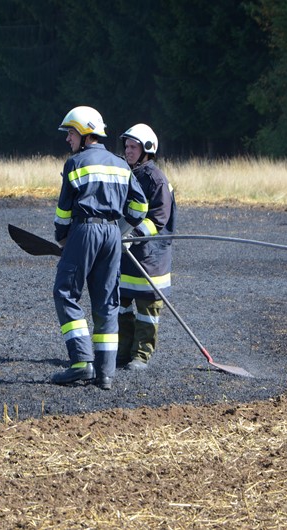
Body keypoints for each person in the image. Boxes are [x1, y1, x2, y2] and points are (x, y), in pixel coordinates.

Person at [51, 106, 148, 390]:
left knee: (65, 293)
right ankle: (105, 374)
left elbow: (64, 210)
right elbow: (140, 206)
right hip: (111, 236)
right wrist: (119, 230)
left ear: (84, 133)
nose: (68, 139)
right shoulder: (121, 164)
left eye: (70, 133)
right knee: (107, 303)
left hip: (84, 230)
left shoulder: (76, 163)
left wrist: (62, 238)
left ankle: (81, 363)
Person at [116, 123, 176, 371]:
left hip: (150, 257)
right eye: (127, 146)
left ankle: (141, 355)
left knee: (147, 309)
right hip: (124, 255)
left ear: (147, 150)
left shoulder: (156, 180)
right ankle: (122, 352)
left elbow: (158, 219)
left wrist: (134, 235)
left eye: (133, 147)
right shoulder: (125, 174)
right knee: (120, 305)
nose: (128, 151)